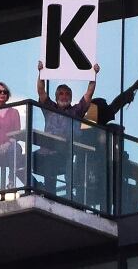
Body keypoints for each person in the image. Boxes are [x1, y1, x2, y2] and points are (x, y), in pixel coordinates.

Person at [34, 60, 99, 195]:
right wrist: (41, 73)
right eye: (61, 94)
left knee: (52, 167)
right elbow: (41, 91)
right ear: (56, 96)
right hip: (45, 152)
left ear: (71, 96)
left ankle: (54, 196)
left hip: (63, 153)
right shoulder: (50, 108)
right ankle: (38, 188)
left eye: (67, 94)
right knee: (23, 162)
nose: (64, 96)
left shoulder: (76, 111)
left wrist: (94, 75)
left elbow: (88, 94)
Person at [77, 78, 138, 208]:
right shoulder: (88, 129)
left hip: (106, 174)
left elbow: (116, 104)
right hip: (96, 174)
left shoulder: (91, 126)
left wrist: (133, 88)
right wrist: (133, 88)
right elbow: (115, 105)